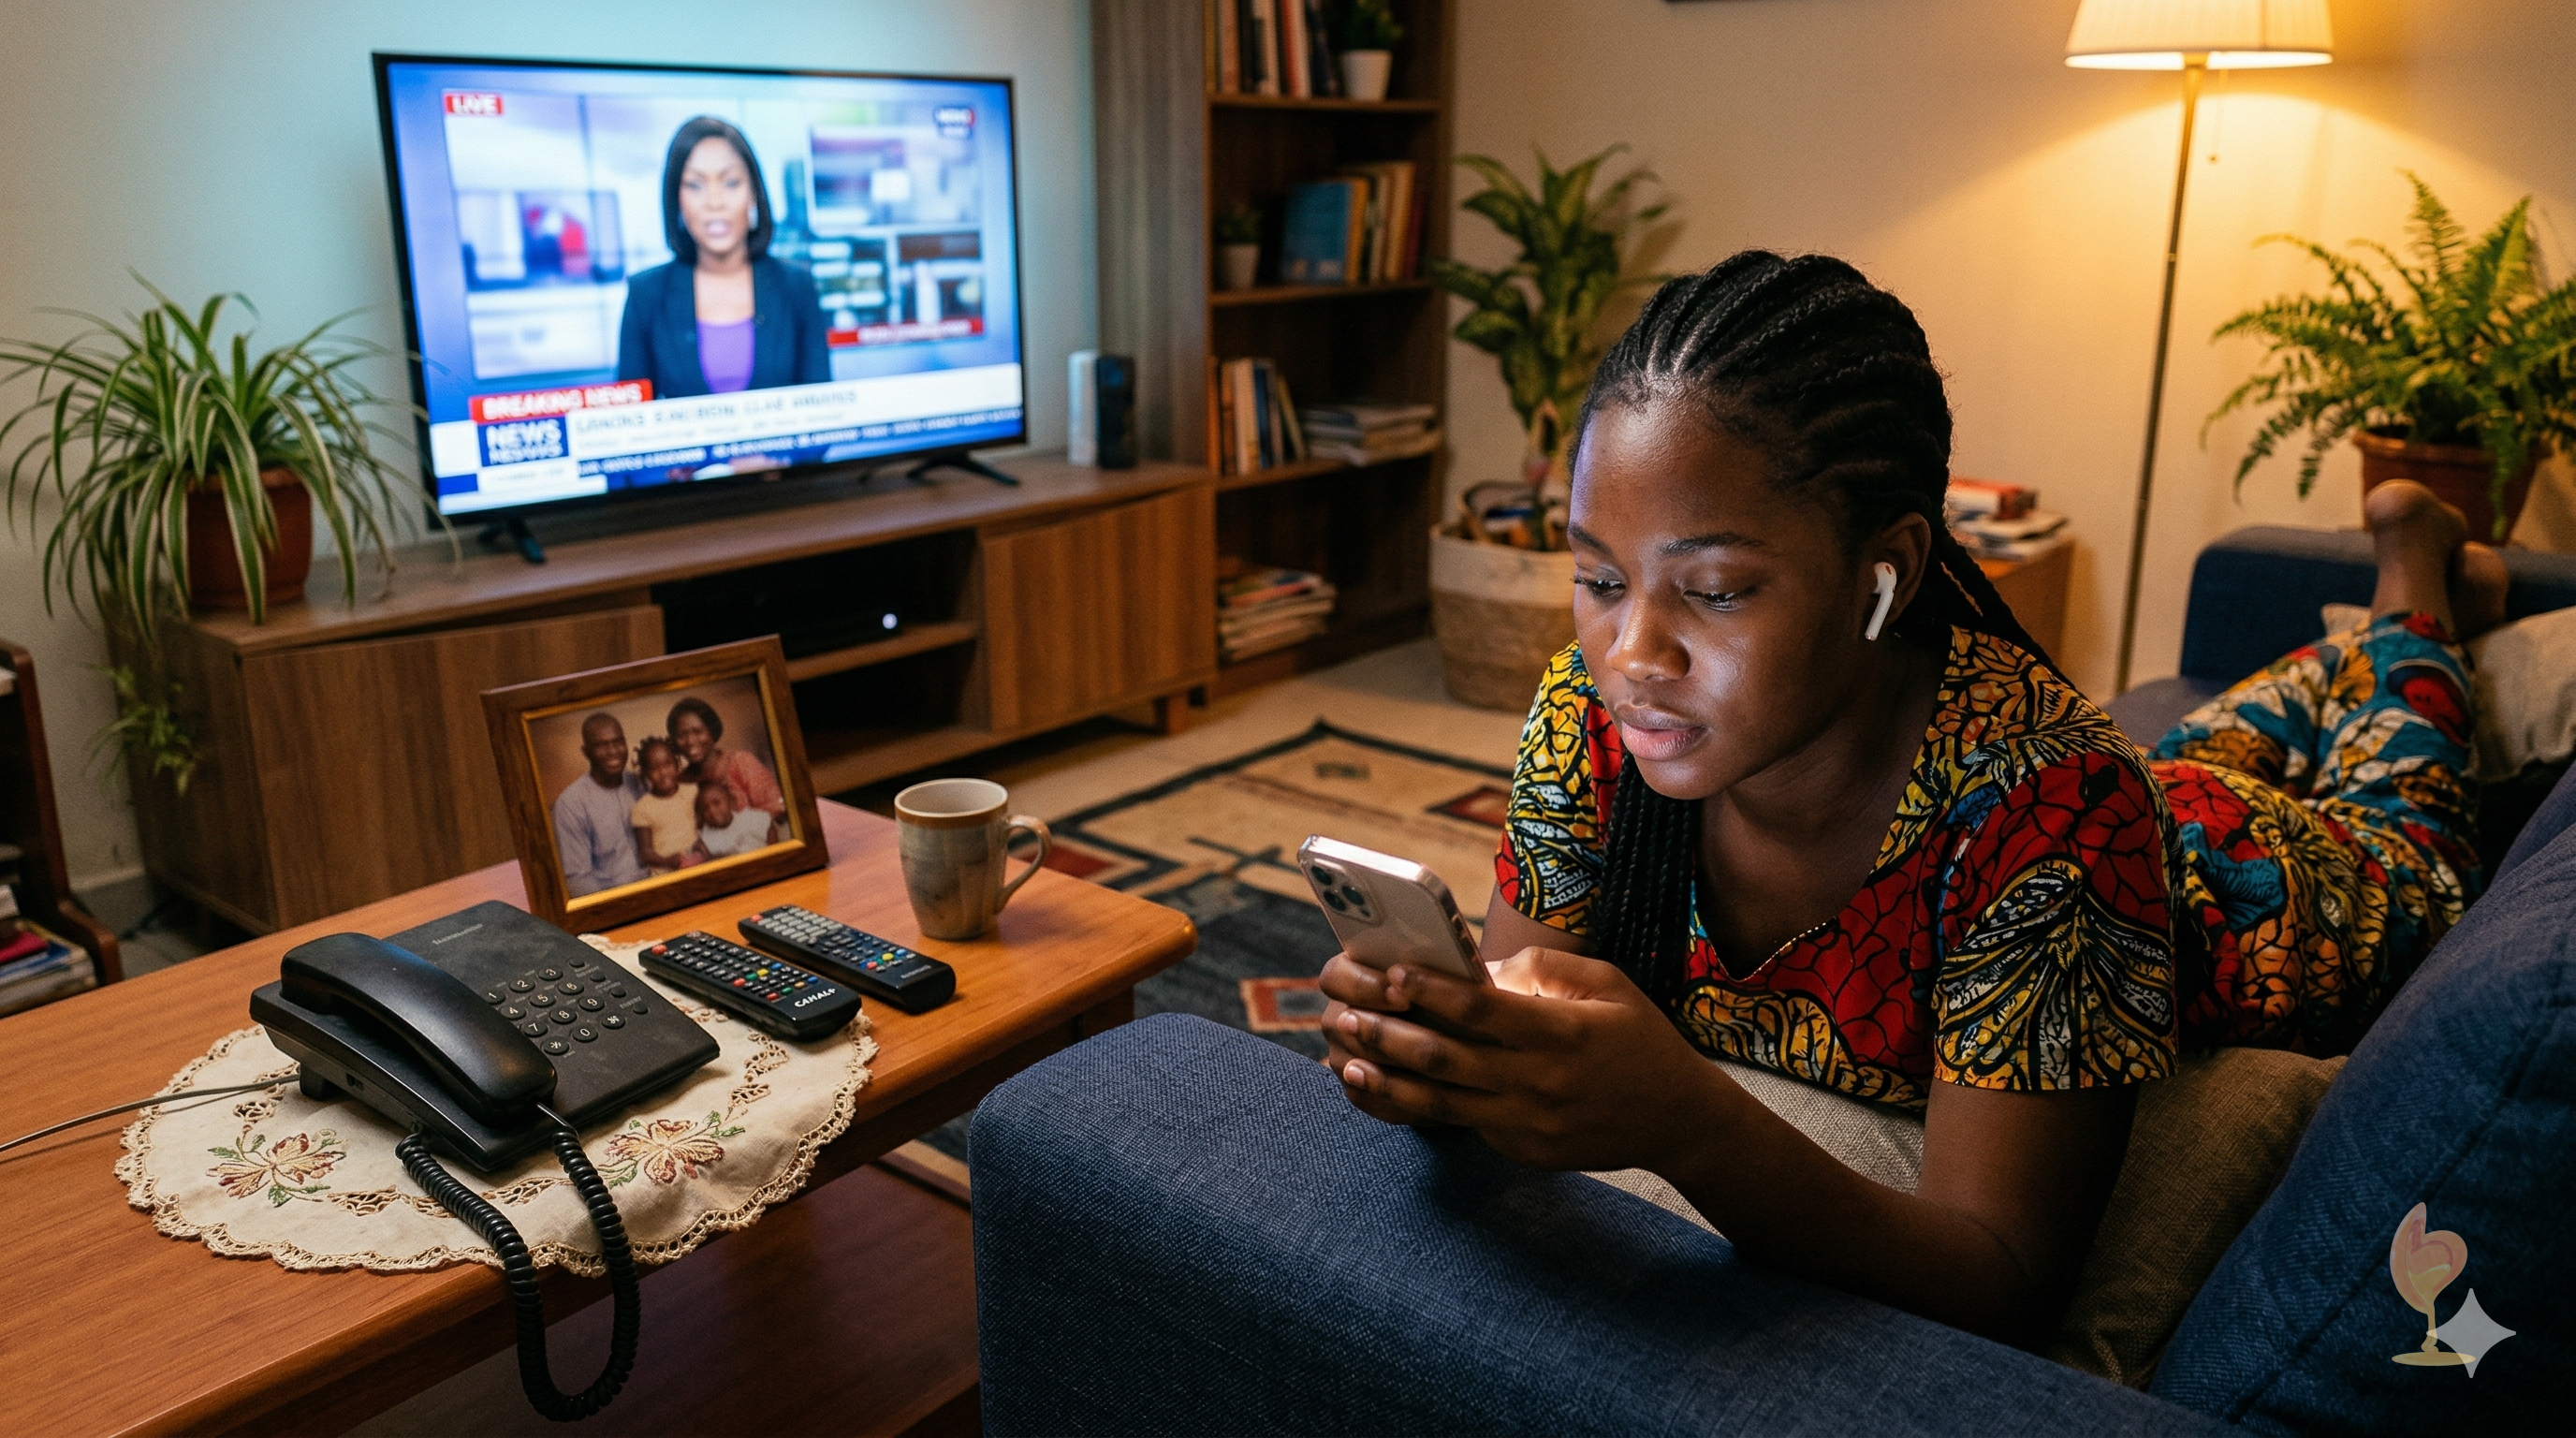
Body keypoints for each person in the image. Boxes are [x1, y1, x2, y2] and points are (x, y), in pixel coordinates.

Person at [1316, 251, 2503, 1344]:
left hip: (2258, 884)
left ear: (1883, 574)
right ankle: (2355, 641)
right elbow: (1523, 1004)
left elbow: (2001, 1275)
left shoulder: (2055, 810)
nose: (1632, 650)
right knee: (2222, 739)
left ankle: (2414, 585)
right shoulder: (1593, 716)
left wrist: (1690, 1123)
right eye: (1596, 577)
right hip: (2152, 794)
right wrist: (1436, 1045)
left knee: (2399, 789)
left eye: (1715, 591)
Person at [616, 115, 831, 402]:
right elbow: (628, 421)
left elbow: (822, 412)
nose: (715, 202)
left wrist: (775, 450)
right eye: (695, 185)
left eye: (731, 182)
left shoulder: (797, 287)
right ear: (676, 198)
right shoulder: (646, 294)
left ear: (754, 193)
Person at [552, 713, 646, 898]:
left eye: (618, 742)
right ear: (585, 751)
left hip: (659, 887)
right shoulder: (570, 804)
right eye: (601, 745)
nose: (613, 751)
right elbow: (577, 880)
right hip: (614, 900)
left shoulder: (641, 784)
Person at [668, 696, 785, 824]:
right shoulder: (680, 782)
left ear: (711, 731)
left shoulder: (740, 762)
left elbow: (777, 807)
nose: (690, 741)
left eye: (697, 732)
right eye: (681, 735)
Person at [627, 737, 701, 873]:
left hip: (697, 863)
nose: (663, 773)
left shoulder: (692, 791)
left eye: (667, 764)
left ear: (677, 763)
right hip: (666, 872)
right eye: (654, 768)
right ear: (645, 773)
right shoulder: (642, 808)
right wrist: (669, 861)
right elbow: (645, 853)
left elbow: (704, 827)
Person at [691, 781, 777, 860]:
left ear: (730, 802)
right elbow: (704, 854)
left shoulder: (748, 818)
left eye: (717, 803)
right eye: (705, 809)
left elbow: (769, 825)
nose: (712, 811)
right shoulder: (708, 836)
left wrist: (772, 853)